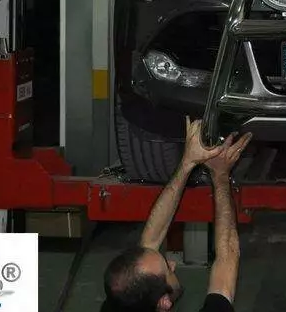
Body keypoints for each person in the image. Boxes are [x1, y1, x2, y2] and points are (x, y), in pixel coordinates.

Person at [103, 118, 252, 312]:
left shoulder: (120, 303)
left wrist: (188, 162)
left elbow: (150, 240)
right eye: (167, 269)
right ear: (164, 302)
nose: (172, 264)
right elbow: (227, 256)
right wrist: (220, 175)